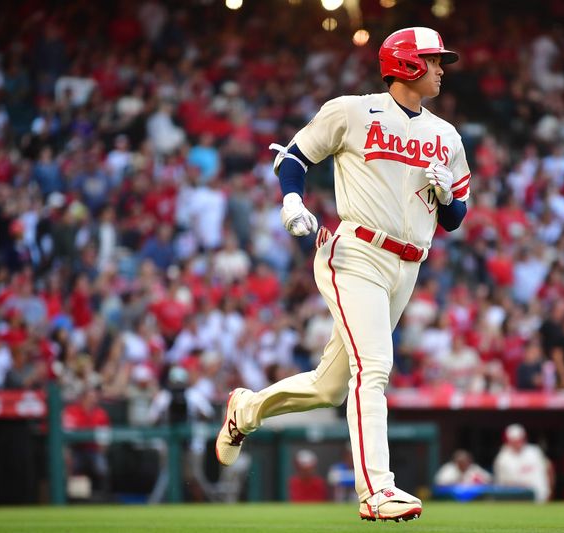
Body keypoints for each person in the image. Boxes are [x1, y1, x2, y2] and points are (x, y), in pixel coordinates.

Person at [215, 27, 470, 522]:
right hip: (356, 253)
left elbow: (457, 218)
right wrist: (292, 201)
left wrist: (447, 199)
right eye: (435, 60)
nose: (442, 68)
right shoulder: (352, 110)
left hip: (407, 267)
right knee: (373, 368)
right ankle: (377, 491)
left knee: (329, 386)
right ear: (408, 64)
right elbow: (294, 155)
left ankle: (245, 411)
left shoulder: (447, 136)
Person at [492, 424, 553, 502]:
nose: (518, 443)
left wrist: (550, 492)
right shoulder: (502, 458)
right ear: (508, 440)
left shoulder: (535, 451)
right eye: (515, 440)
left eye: (520, 439)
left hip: (541, 497)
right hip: (518, 500)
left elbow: (549, 469)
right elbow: (502, 484)